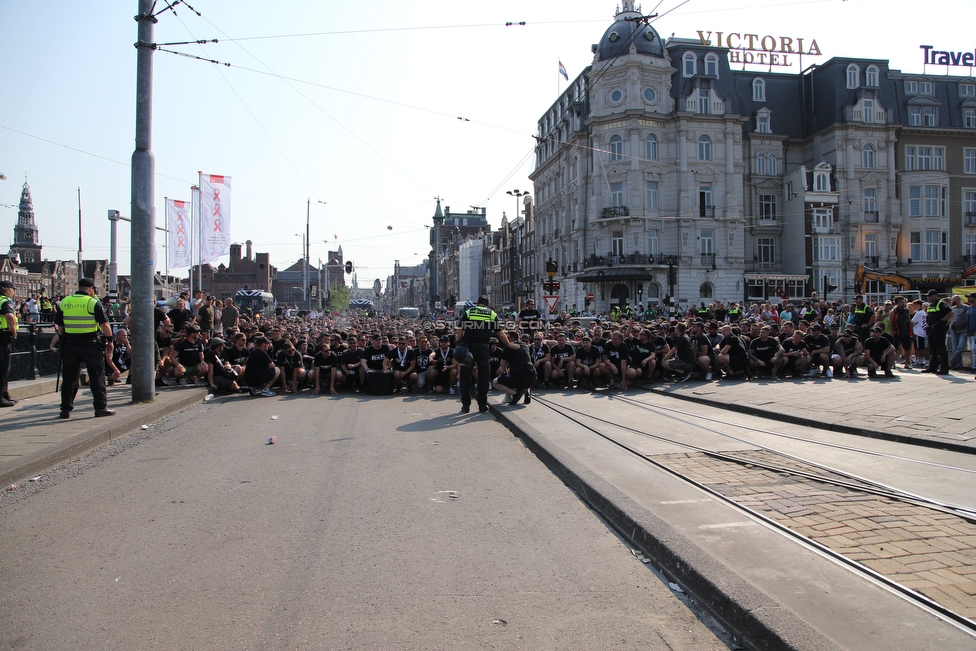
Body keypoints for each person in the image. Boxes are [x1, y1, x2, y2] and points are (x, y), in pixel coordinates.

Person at [54, 278, 115, 418]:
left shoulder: (65, 302)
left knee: (69, 378)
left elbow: (60, 326)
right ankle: (101, 408)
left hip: (70, 344)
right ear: (91, 289)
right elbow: (104, 325)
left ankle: (65, 409)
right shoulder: (92, 302)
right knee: (96, 376)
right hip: (90, 344)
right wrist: (110, 340)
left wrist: (63, 339)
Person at [455, 295, 512, 413]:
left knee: (466, 375)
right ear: (488, 304)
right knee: (484, 375)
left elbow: (460, 330)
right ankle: (482, 405)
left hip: (469, 346)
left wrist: (459, 342)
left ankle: (465, 405)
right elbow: (500, 333)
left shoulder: (469, 312)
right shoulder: (492, 314)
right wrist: (509, 344)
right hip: (483, 347)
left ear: (477, 303)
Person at [494, 330, 537, 405]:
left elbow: (502, 368)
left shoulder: (507, 348)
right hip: (532, 378)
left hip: (518, 379)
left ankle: (516, 393)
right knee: (525, 372)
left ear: (511, 338)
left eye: (507, 337)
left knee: (495, 382)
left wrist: (504, 375)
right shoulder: (524, 346)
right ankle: (527, 392)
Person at [923, 289, 951, 375]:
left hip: (939, 329)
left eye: (930, 296)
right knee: (932, 349)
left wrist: (940, 322)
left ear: (935, 296)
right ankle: (932, 367)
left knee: (941, 349)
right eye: (928, 296)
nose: (929, 297)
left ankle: (944, 368)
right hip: (931, 329)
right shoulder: (930, 305)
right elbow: (929, 316)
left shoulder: (941, 304)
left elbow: (950, 313)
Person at [0, 280, 18, 407]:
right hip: (3, 335)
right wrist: (13, 330)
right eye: (13, 289)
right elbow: (10, 316)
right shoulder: (5, 301)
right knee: (3, 368)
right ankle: (1, 398)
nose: (13, 292)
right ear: (7, 290)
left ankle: (5, 395)